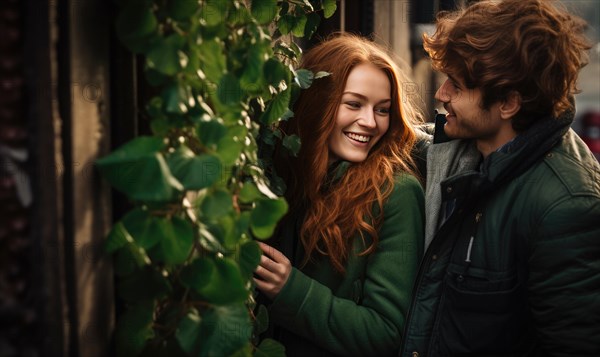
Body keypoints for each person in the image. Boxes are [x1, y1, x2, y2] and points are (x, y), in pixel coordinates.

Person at [400, 0, 600, 356]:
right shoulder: (472, 146)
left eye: (457, 85)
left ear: (508, 103)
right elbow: (417, 141)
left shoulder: (566, 205)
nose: (441, 93)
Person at [253, 33, 425, 356]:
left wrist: (292, 292)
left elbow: (387, 333)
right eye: (354, 104)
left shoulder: (396, 194)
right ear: (319, 102)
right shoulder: (282, 174)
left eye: (383, 109)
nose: (370, 122)